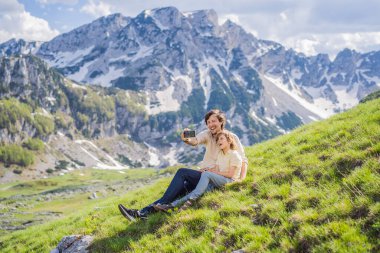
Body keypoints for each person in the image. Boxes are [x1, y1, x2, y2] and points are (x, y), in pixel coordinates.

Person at [118, 109, 248, 221]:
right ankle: (141, 214)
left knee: (182, 172)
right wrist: (186, 138)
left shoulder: (231, 137)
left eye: (213, 121)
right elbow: (195, 140)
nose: (210, 124)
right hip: (203, 175)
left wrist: (241, 180)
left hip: (214, 178)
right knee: (174, 192)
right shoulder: (207, 134)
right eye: (208, 122)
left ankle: (142, 213)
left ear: (221, 121)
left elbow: (243, 160)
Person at [154, 130, 242, 212]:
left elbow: (231, 175)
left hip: (229, 181)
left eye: (221, 139)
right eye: (218, 139)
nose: (219, 141)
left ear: (229, 141)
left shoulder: (234, 155)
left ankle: (190, 201)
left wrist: (211, 173)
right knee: (197, 189)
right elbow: (216, 169)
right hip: (219, 180)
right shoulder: (221, 154)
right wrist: (207, 170)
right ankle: (171, 206)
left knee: (206, 176)